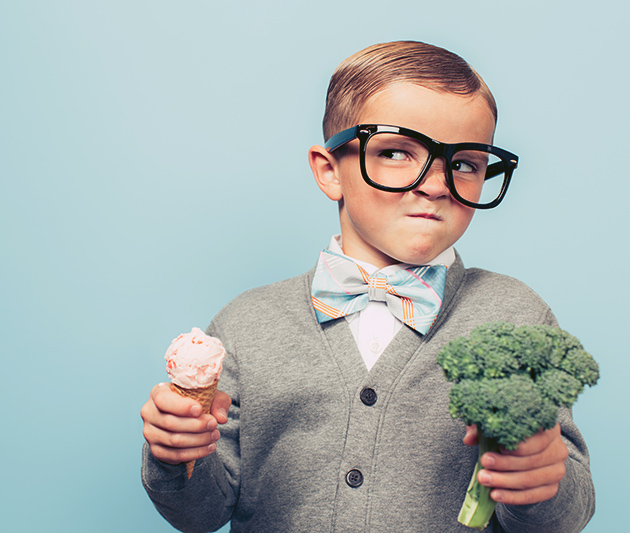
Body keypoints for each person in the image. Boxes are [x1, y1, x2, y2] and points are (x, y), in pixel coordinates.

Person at [141, 41, 595, 532]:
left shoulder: (515, 316)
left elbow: (563, 518)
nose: (437, 185)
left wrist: (541, 480)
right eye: (397, 152)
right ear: (330, 170)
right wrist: (174, 456)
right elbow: (200, 514)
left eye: (464, 163)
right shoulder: (246, 325)